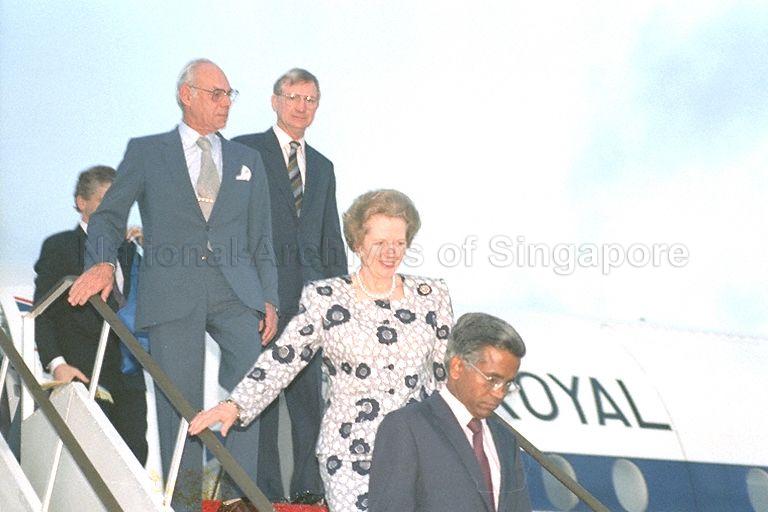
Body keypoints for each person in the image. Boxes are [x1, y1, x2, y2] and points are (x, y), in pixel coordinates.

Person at [68, 59, 278, 511]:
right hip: (171, 291)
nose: (226, 103)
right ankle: (185, 505)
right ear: (187, 94)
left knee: (251, 387)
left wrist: (269, 298)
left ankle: (238, 495)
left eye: (229, 95)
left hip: (236, 292)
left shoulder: (248, 160)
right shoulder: (146, 152)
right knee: (177, 402)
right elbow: (109, 215)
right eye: (216, 93)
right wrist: (103, 262)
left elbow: (262, 235)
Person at [189, 189, 454, 512]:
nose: (390, 252)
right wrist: (235, 405)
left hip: (415, 451)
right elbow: (284, 358)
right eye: (379, 243)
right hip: (349, 453)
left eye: (399, 243)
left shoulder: (432, 296)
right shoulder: (325, 298)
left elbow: (444, 377)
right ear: (357, 243)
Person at [232, 68, 347, 501]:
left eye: (311, 99)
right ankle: (262, 491)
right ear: (275, 100)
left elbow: (330, 239)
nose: (302, 107)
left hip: (312, 304)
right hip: (259, 298)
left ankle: (307, 490)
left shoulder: (323, 166)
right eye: (294, 97)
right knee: (259, 396)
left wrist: (340, 302)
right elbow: (230, 227)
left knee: (308, 404)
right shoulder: (245, 150)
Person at [34, 165, 148, 464]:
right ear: (82, 202)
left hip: (130, 378)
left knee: (133, 462)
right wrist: (57, 364)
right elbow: (42, 313)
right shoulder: (60, 247)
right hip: (84, 374)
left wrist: (153, 248)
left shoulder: (132, 251)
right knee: (90, 464)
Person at [367, 312, 533, 512]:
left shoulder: (506, 440)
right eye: (492, 380)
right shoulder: (407, 427)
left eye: (507, 384)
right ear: (457, 367)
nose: (499, 393)